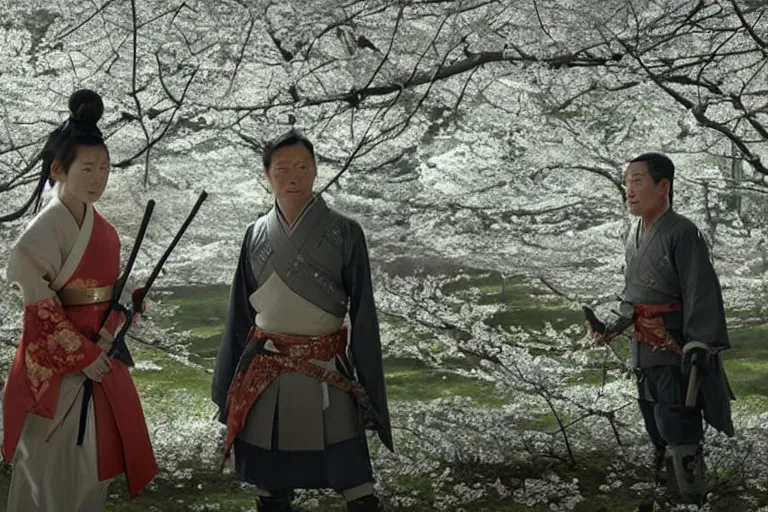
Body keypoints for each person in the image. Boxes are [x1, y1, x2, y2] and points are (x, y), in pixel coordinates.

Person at [212, 129, 393, 512]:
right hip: (267, 374)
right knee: (270, 487)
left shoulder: (346, 232)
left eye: (302, 167)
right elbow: (239, 316)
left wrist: (371, 387)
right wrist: (228, 383)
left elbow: (363, 315)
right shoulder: (254, 234)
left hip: (326, 369)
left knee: (356, 484)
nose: (293, 177)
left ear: (315, 172)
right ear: (267, 175)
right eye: (282, 169)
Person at [2, 90, 157, 511]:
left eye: (104, 168)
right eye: (87, 168)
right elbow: (41, 310)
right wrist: (81, 354)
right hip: (57, 369)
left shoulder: (103, 230)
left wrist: (127, 301)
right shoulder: (41, 231)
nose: (98, 178)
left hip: (98, 364)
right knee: (47, 476)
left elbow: (107, 294)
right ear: (59, 169)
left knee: (90, 472)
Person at [591, 153, 734, 505]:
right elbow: (633, 296)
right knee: (655, 427)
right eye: (627, 182)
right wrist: (611, 325)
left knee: (678, 425)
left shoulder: (684, 233)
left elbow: (701, 289)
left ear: (663, 186)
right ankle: (665, 496)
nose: (629, 190)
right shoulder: (634, 233)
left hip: (674, 350)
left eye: (637, 180)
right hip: (644, 350)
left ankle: (691, 498)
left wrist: (699, 343)